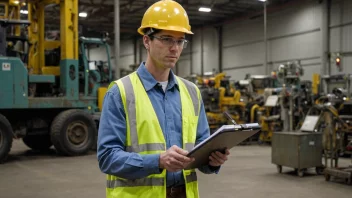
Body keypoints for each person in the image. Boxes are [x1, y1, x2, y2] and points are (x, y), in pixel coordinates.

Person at [97, 0, 230, 197]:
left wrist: (212, 160)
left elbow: (201, 146)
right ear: (146, 41)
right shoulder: (121, 92)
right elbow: (107, 157)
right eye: (166, 39)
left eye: (180, 41)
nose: (175, 48)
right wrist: (158, 161)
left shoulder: (192, 92)